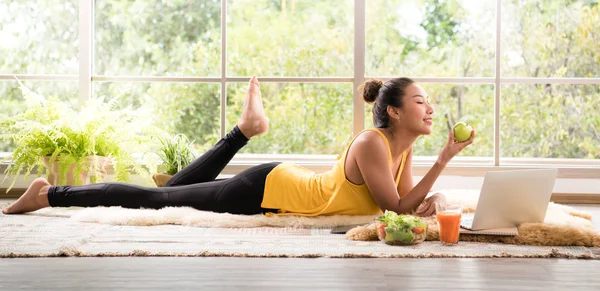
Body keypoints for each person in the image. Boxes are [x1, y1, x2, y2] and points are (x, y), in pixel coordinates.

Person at [2, 76, 474, 217]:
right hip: (264, 190)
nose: (430, 109)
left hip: (278, 183)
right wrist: (445, 161)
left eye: (430, 103)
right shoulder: (373, 143)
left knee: (169, 196)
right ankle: (48, 193)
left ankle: (246, 130)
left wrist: (431, 195)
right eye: (421, 102)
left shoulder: (401, 148)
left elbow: (406, 206)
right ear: (393, 111)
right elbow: (395, 209)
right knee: (154, 200)